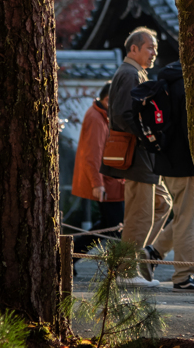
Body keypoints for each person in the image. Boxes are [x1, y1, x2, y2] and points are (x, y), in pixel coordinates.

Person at [100, 27, 173, 286]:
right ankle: (125, 271)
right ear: (133, 48)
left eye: (154, 48)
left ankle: (137, 257)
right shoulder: (129, 73)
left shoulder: (135, 72)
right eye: (149, 47)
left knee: (162, 203)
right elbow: (121, 115)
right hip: (137, 152)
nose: (154, 53)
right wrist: (147, 136)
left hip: (142, 153)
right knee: (140, 214)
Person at [148, 60, 194, 291]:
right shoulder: (188, 87)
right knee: (188, 220)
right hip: (186, 164)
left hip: (168, 162)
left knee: (188, 215)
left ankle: (154, 251)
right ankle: (183, 276)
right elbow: (189, 129)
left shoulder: (167, 83)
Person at [70, 83, 125, 267]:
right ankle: (69, 258)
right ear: (107, 100)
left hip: (110, 181)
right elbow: (92, 154)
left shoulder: (101, 115)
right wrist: (97, 184)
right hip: (106, 182)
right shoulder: (96, 117)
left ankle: (68, 258)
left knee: (108, 225)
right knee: (113, 226)